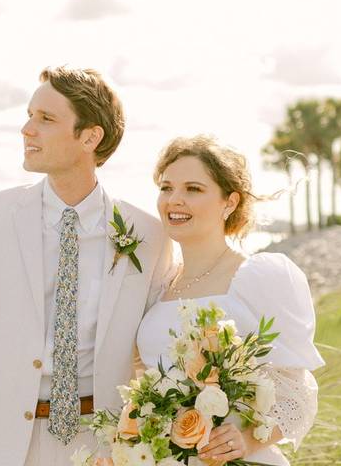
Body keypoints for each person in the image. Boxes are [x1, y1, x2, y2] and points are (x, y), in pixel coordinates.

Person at [0, 67, 177, 466]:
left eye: (45, 119)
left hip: (104, 447)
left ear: (90, 136)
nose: (27, 129)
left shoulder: (149, 235)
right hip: (3, 446)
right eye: (30, 115)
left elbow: (153, 356)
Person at [136, 135, 325, 466]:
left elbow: (299, 394)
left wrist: (248, 442)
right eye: (166, 188)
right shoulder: (158, 284)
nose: (174, 200)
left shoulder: (260, 277)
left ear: (230, 202)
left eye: (193, 189)